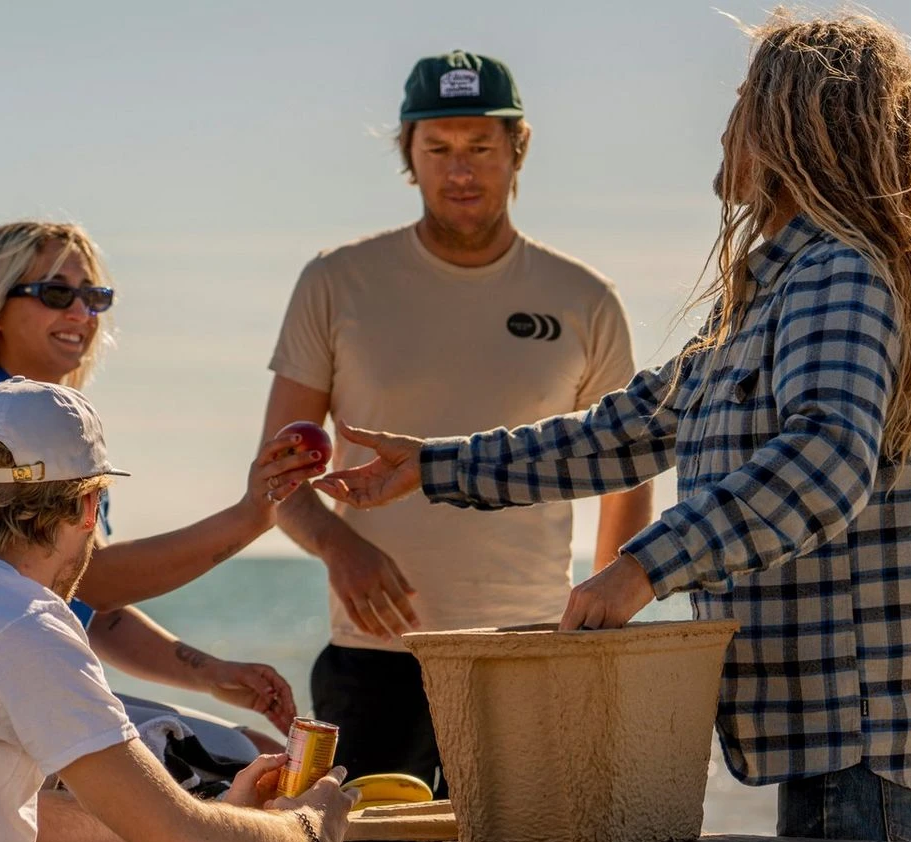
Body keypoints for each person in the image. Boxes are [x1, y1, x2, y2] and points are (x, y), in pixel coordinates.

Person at [316, 13, 911, 842]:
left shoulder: (839, 277)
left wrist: (642, 570)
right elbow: (622, 432)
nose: (723, 131)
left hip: (868, 736)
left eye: (741, 107)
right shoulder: (772, 294)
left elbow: (826, 459)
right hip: (830, 733)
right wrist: (433, 466)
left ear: (794, 126)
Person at [261, 50, 652, 794]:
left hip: (531, 650)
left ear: (518, 149)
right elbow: (278, 474)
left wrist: (607, 619)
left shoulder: (584, 298)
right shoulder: (336, 282)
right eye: (437, 149)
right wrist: (341, 547)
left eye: (481, 147)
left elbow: (625, 469)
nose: (460, 170)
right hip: (375, 654)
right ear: (408, 154)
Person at [0, 377, 357, 842]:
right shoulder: (25, 627)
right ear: (88, 506)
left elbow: (19, 818)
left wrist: (214, 817)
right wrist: (306, 827)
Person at [0, 220, 329, 758]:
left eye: (95, 297)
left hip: (15, 685)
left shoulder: (57, 430)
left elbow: (88, 607)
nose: (81, 314)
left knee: (248, 751)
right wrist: (254, 514)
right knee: (245, 761)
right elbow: (98, 581)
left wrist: (208, 673)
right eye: (56, 293)